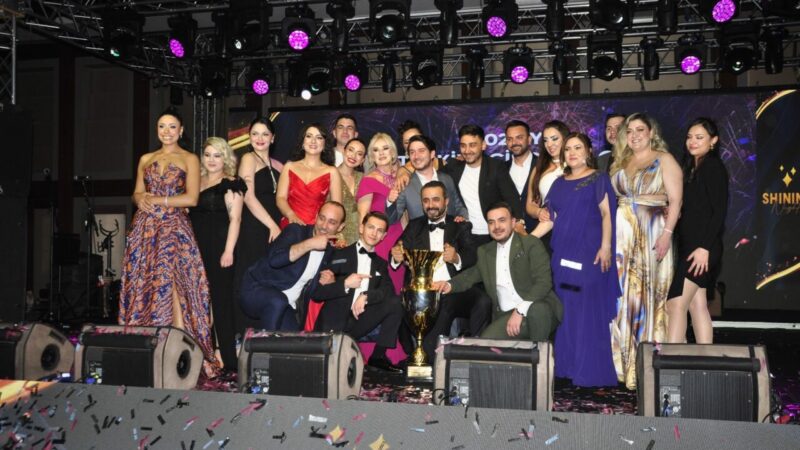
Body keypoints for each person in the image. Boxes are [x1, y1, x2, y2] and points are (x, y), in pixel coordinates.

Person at [119, 107, 221, 378]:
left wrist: (159, 200)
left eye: (172, 126)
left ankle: (180, 354)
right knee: (146, 285)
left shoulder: (189, 158)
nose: (166, 131)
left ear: (181, 130)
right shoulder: (146, 158)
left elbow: (192, 199)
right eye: (162, 126)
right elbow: (137, 193)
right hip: (145, 230)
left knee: (177, 287)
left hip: (174, 228)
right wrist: (140, 199)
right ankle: (149, 350)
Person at [532, 133, 619, 387]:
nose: (572, 153)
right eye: (568, 149)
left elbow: (607, 214)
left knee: (586, 311)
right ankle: (567, 368)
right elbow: (552, 219)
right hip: (562, 256)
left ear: (589, 151)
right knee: (566, 310)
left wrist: (606, 246)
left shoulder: (598, 178)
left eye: (577, 148)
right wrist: (526, 241)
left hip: (589, 255)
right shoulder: (559, 183)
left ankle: (589, 372)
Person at [610, 112, 683, 390]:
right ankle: (623, 365)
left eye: (640, 130)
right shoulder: (621, 161)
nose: (634, 135)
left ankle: (648, 365)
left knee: (648, 297)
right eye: (629, 131)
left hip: (652, 234)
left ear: (651, 132)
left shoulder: (664, 159)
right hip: (622, 239)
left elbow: (675, 201)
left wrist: (667, 234)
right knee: (623, 298)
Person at [391, 181, 491, 358]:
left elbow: (472, 255)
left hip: (454, 289)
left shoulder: (460, 225)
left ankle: (476, 354)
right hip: (423, 294)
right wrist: (396, 256)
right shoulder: (414, 226)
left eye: (436, 199)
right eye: (426, 200)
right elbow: (397, 250)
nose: (431, 205)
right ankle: (427, 359)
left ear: (446, 201)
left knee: (482, 300)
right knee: (435, 306)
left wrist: (456, 258)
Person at [436, 203, 563, 343]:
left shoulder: (531, 244)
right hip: (506, 315)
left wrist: (520, 311)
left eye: (502, 220)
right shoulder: (485, 251)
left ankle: (540, 354)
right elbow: (471, 275)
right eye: (491, 222)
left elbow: (543, 283)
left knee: (538, 310)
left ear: (513, 222)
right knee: (486, 342)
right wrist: (448, 285)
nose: (496, 226)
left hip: (539, 309)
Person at [312, 212, 406, 373]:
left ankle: (378, 357)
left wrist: (366, 296)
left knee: (396, 302)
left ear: (383, 236)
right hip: (335, 323)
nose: (374, 233)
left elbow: (387, 291)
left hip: (360, 321)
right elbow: (317, 293)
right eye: (370, 227)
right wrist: (345, 284)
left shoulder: (381, 264)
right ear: (361, 228)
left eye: (379, 230)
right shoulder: (338, 254)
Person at [667, 118, 729, 344]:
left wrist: (704, 248)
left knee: (675, 304)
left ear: (713, 141)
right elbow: (696, 208)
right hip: (693, 246)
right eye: (689, 137)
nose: (692, 141)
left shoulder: (712, 167)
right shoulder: (693, 167)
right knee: (697, 304)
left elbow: (719, 212)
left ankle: (673, 360)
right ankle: (705, 359)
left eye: (699, 137)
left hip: (701, 248)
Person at [239, 201, 346, 331]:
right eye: (322, 218)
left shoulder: (331, 253)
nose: (324, 226)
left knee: (296, 340)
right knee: (278, 301)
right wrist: (310, 244)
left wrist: (330, 283)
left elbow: (315, 294)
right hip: (256, 290)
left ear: (340, 227)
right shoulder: (296, 231)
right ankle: (267, 342)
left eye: (332, 222)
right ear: (316, 216)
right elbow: (274, 260)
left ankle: (266, 342)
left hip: (286, 305)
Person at [189, 137, 246, 370]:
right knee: (199, 304)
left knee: (221, 304)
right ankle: (205, 358)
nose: (212, 160)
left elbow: (236, 219)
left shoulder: (231, 183)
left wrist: (228, 250)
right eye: (208, 155)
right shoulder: (196, 182)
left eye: (217, 155)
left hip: (220, 248)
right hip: (196, 249)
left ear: (226, 158)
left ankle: (229, 362)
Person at [235, 117, 283, 331]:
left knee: (268, 279)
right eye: (255, 133)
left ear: (273, 138)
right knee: (250, 277)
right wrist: (272, 225)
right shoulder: (248, 158)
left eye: (265, 134)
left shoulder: (279, 165)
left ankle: (266, 331)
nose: (260, 138)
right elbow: (248, 196)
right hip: (254, 227)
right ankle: (243, 332)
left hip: (275, 230)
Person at [441, 125, 524, 245]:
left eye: (472, 145)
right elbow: (431, 173)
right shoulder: (454, 167)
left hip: (493, 235)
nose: (467, 151)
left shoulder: (496, 167)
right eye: (463, 145)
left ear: (483, 145)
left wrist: (519, 222)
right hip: (464, 236)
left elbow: (512, 197)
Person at [357, 132, 406, 292]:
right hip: (379, 239)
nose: (381, 153)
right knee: (383, 286)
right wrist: (365, 246)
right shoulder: (368, 180)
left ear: (393, 151)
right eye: (376, 150)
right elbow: (363, 217)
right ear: (372, 156)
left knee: (401, 285)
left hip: (400, 237)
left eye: (385, 148)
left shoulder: (401, 176)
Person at [386, 134, 468, 223]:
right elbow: (391, 219)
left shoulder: (447, 179)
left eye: (421, 151)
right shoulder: (405, 184)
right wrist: (390, 201)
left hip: (450, 231)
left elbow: (459, 206)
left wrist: (462, 218)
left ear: (432, 154)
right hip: (419, 232)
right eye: (412, 152)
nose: (416, 156)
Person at [277, 123, 342, 228]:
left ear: (325, 144)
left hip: (317, 229)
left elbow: (337, 208)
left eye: (319, 137)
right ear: (303, 142)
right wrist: (291, 215)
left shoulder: (332, 172)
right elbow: (280, 198)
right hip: (290, 226)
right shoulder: (289, 167)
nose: (313, 141)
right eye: (309, 136)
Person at [525, 120, 569, 249]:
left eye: (554, 139)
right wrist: (539, 212)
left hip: (572, 226)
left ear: (565, 138)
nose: (549, 144)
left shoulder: (576, 165)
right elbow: (530, 204)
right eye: (545, 140)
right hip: (546, 230)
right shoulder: (539, 169)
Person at [505, 120, 538, 232]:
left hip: (541, 232)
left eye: (519, 137)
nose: (514, 143)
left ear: (529, 139)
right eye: (509, 139)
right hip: (510, 233)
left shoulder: (544, 166)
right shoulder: (501, 169)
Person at [337, 138, 367, 245]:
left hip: (359, 236)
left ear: (363, 160)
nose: (353, 156)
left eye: (359, 154)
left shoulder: (363, 178)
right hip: (336, 234)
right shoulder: (331, 174)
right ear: (343, 151)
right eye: (351, 150)